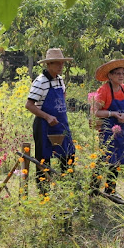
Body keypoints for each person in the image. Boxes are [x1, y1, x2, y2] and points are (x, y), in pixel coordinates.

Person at [25, 48, 75, 193]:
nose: (60, 66)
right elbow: (29, 105)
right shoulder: (40, 82)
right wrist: (47, 116)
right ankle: (43, 191)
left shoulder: (60, 80)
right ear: (48, 65)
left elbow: (62, 98)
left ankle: (67, 188)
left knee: (68, 154)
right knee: (43, 157)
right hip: (44, 125)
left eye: (62, 63)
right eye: (57, 63)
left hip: (60, 124)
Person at [93, 58, 124, 201]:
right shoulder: (103, 90)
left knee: (118, 159)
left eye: (123, 73)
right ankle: (93, 188)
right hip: (107, 128)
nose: (121, 76)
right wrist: (112, 113)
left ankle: (110, 190)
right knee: (104, 158)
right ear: (110, 76)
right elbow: (95, 112)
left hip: (122, 127)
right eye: (117, 73)